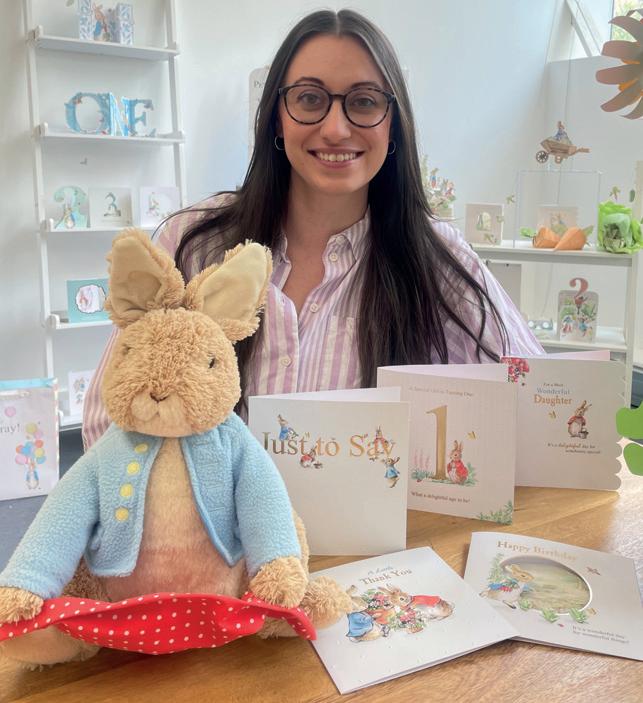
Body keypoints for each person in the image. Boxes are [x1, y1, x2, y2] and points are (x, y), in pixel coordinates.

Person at [82, 8, 542, 449]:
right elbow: (109, 420)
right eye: (309, 99)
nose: (336, 128)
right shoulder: (195, 244)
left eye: (364, 101)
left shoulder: (436, 258)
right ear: (276, 118)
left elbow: (538, 403)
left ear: (393, 126)